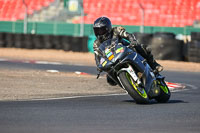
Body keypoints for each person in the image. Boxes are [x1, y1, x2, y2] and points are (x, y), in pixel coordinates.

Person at [93, 16, 163, 86]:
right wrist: (99, 66)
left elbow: (128, 35)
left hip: (126, 50)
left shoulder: (116, 30)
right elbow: (97, 56)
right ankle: (127, 84)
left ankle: (154, 65)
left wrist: (133, 41)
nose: (99, 33)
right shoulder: (96, 44)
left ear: (107, 28)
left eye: (101, 30)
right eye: (97, 31)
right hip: (112, 60)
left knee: (142, 48)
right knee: (110, 80)